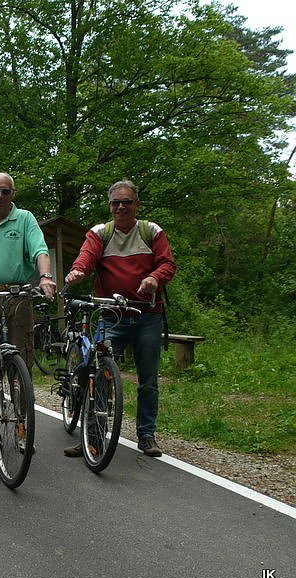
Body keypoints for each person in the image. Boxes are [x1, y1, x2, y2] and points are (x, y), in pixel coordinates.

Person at [63, 179, 176, 458]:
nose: (121, 207)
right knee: (98, 374)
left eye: (127, 202)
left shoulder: (151, 232)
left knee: (147, 379)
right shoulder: (101, 233)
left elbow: (167, 264)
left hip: (147, 314)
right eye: (116, 202)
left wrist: (154, 278)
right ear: (110, 206)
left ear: (137, 204)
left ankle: (146, 435)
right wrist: (78, 272)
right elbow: (86, 258)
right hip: (111, 314)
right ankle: (94, 436)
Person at [0, 172, 57, 458]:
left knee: (21, 366)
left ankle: (21, 428)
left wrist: (46, 276)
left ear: (13, 194)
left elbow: (40, 249)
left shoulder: (25, 218)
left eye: (5, 191)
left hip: (18, 297)